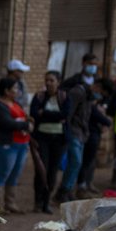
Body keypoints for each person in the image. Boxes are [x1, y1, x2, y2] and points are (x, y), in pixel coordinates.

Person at [0, 77, 32, 213]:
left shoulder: (15, 103)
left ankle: (10, 202)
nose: (17, 91)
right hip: (5, 144)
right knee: (2, 173)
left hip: (21, 143)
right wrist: (26, 124)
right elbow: (6, 123)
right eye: (15, 88)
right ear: (6, 91)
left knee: (14, 174)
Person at [28, 71, 69, 214]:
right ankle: (37, 201)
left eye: (52, 80)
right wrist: (53, 116)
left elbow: (64, 115)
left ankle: (46, 201)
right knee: (41, 169)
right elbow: (33, 114)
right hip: (41, 138)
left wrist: (43, 113)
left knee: (53, 171)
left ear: (58, 81)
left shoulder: (64, 97)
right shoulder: (39, 96)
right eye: (47, 80)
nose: (49, 83)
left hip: (59, 139)